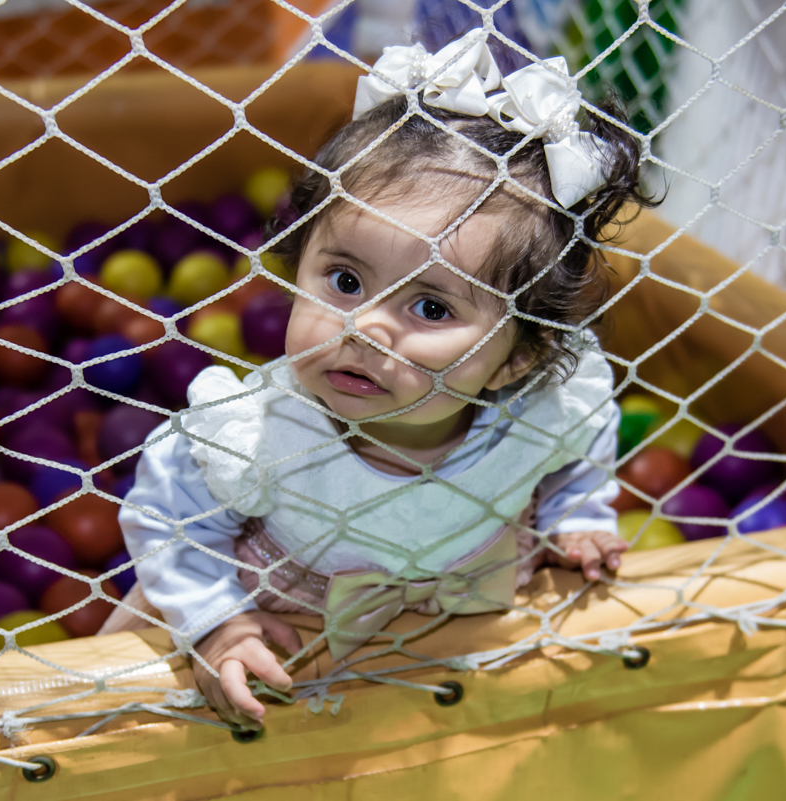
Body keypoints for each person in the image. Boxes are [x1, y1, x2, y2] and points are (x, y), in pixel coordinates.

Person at [113, 32, 657, 730]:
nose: (364, 327)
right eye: (344, 280)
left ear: (520, 356)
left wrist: (576, 515)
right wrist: (217, 623)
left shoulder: (543, 410)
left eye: (431, 306)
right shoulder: (258, 434)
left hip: (446, 663)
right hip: (273, 643)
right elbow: (166, 516)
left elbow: (581, 443)